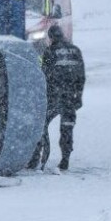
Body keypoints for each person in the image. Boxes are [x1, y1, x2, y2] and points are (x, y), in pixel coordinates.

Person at [27, 24, 86, 172]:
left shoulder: (50, 51)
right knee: (67, 128)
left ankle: (36, 158)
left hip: (54, 95)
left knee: (41, 125)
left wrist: (42, 96)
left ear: (51, 37)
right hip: (70, 96)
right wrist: (78, 96)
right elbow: (81, 76)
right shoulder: (75, 50)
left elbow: (44, 74)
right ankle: (65, 159)